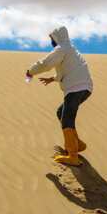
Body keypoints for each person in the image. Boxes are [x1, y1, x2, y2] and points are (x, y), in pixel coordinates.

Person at [26, 26, 93, 166]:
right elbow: (68, 69)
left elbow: (46, 63)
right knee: (60, 112)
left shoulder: (62, 48)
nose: (51, 42)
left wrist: (31, 71)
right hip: (85, 88)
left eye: (52, 39)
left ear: (58, 37)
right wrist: (53, 79)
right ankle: (77, 143)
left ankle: (73, 155)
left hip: (74, 88)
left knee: (67, 121)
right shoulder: (71, 49)